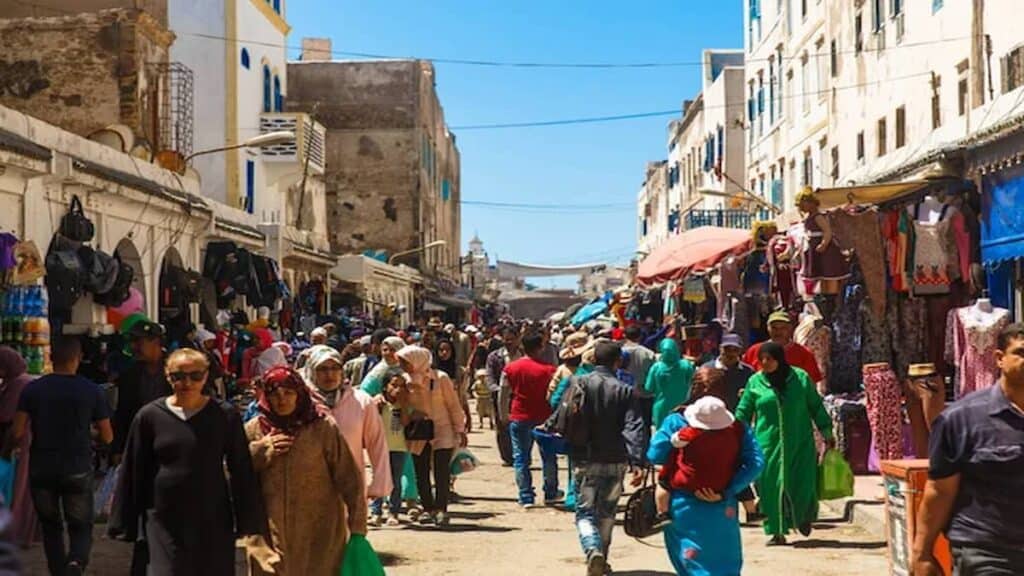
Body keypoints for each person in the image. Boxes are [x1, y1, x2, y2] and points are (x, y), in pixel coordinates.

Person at [117, 347, 265, 575]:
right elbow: (134, 469)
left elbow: (240, 468)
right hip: (162, 515)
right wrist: (125, 521)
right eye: (179, 376)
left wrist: (247, 518)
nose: (187, 383)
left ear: (205, 376)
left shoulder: (224, 415)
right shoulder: (149, 416)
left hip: (211, 514)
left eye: (195, 375)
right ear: (168, 377)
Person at [912, 323, 1024, 576]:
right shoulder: (961, 420)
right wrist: (922, 553)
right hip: (989, 554)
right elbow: (939, 491)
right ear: (999, 358)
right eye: (1021, 353)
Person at [244, 366, 368, 576]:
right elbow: (233, 472)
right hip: (268, 532)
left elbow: (349, 478)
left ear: (299, 394)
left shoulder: (322, 427)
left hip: (319, 531)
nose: (282, 400)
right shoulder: (254, 429)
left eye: (288, 393)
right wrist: (262, 450)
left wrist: (357, 526)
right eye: (274, 394)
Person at [648, 367, 764, 576]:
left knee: (692, 561)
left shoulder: (676, 421)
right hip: (723, 505)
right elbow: (755, 463)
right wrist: (729, 490)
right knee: (724, 560)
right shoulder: (735, 426)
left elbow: (655, 454)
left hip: (683, 504)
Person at [13, 337, 112, 576]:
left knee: (50, 526)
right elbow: (108, 436)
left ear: (50, 358)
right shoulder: (92, 391)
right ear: (78, 358)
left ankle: (57, 570)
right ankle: (76, 562)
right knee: (80, 524)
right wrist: (89, 434)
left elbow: (17, 431)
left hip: (42, 467)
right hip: (77, 466)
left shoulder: (32, 389)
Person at [735, 341, 834, 545]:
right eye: (762, 359)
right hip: (767, 444)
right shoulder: (755, 382)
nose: (765, 362)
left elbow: (815, 406)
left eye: (770, 359)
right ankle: (777, 531)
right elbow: (743, 412)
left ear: (780, 359)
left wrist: (826, 431)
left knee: (802, 483)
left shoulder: (800, 378)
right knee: (770, 486)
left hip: (800, 441)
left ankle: (802, 517)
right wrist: (734, 435)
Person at [568, 341, 646, 576]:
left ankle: (593, 549)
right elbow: (634, 427)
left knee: (584, 511)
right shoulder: (626, 390)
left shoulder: (578, 383)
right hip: (615, 459)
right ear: (618, 361)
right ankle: (602, 555)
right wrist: (637, 461)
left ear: (593, 360)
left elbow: (561, 413)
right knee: (607, 511)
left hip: (584, 458)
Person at [303, 345, 392, 503]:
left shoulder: (361, 401)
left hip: (350, 485)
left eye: (335, 368)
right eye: (322, 369)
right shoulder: (301, 402)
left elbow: (377, 443)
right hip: (309, 485)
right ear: (311, 371)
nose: (330, 374)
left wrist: (380, 482)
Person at [396, 345, 467, 527]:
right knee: (421, 472)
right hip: (419, 432)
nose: (402, 365)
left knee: (441, 472)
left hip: (443, 430)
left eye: (405, 362)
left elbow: (453, 405)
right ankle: (428, 508)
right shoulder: (404, 381)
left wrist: (460, 429)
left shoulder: (440, 378)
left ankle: (441, 509)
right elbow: (399, 404)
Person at [501, 331, 560, 508]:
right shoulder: (550, 370)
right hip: (544, 418)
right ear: (540, 348)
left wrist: (503, 415)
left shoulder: (510, 368)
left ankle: (525, 496)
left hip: (519, 415)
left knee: (521, 458)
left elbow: (503, 394)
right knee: (548, 457)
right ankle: (550, 492)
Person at [112, 320, 171, 460]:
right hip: (141, 447)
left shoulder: (177, 370)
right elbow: (122, 414)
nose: (133, 346)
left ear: (156, 342)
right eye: (132, 341)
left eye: (138, 341)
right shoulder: (129, 375)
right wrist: (118, 449)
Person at [0, 346, 37, 547]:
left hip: (18, 444)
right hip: (24, 443)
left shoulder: (19, 385)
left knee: (17, 489)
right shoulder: (18, 382)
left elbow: (8, 418)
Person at [369, 369, 413, 527]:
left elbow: (405, 423)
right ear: (385, 386)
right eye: (394, 385)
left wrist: (404, 404)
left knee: (395, 480)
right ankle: (376, 512)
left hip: (399, 447)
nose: (398, 389)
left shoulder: (404, 404)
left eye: (402, 386)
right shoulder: (378, 403)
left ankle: (393, 512)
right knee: (379, 478)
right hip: (380, 447)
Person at [742, 311, 823, 386]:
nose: (778, 332)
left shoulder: (804, 353)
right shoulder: (754, 351)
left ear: (790, 328)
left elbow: (811, 383)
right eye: (774, 328)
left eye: (783, 328)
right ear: (768, 328)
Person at [486, 326, 522, 466]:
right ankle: (507, 456)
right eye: (506, 339)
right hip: (501, 397)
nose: (509, 342)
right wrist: (497, 389)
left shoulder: (523, 355)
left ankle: (520, 454)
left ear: (518, 339)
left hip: (519, 397)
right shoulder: (494, 357)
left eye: (512, 339)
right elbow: (489, 376)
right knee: (502, 427)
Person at [644, 338, 696, 429]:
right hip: (681, 406)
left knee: (662, 432)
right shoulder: (686, 365)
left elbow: (649, 388)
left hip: (661, 407)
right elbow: (692, 383)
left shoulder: (656, 367)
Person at [702, 333, 754, 412]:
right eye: (727, 349)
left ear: (740, 351)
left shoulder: (748, 372)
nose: (731, 353)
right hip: (712, 415)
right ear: (720, 348)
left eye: (735, 350)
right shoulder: (706, 370)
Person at [436, 338, 472, 435]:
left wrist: (468, 416)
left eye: (447, 350)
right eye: (441, 350)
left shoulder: (459, 371)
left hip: (453, 412)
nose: (444, 352)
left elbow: (462, 394)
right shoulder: (431, 371)